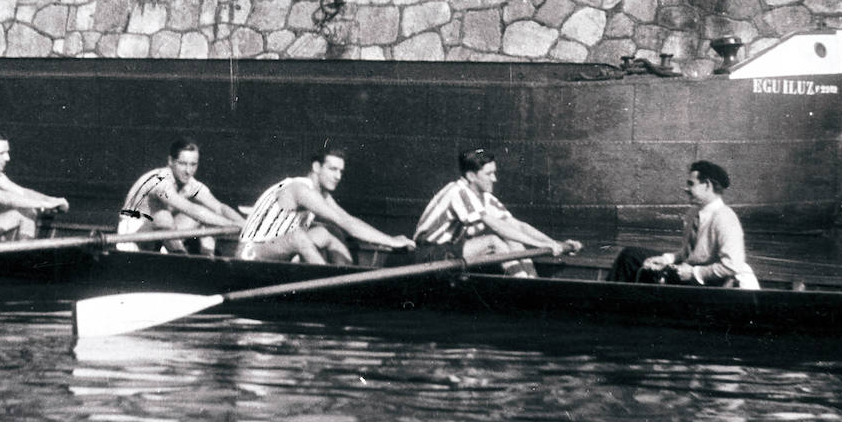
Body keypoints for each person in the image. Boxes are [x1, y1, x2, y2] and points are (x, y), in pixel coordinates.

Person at [413, 148, 580, 277]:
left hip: (452, 249)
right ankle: (524, 287)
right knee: (493, 241)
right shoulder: (458, 191)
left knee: (513, 239)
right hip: (427, 255)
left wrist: (553, 243)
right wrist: (539, 245)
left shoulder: (484, 197)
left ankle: (532, 281)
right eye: (489, 174)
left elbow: (517, 225)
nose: (494, 179)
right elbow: (495, 226)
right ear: (471, 176)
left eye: (494, 172)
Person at [238, 146, 415, 264]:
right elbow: (347, 224)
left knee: (330, 232)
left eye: (341, 171)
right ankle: (330, 288)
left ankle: (348, 279)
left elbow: (348, 220)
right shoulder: (300, 190)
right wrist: (391, 242)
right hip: (250, 254)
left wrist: (390, 239)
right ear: (316, 167)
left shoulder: (322, 195)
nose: (338, 176)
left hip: (278, 249)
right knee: (298, 237)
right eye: (332, 169)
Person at [607, 160, 759, 289]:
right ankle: (608, 301)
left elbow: (732, 265)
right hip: (687, 270)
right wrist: (667, 259)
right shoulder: (693, 213)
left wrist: (695, 273)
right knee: (630, 256)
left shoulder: (725, 218)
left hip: (709, 282)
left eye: (691, 184)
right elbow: (688, 254)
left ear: (707, 185)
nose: (686, 189)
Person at [117, 137, 247, 255]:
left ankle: (207, 259)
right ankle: (180, 258)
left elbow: (220, 208)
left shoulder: (190, 184)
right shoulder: (160, 182)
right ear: (170, 162)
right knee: (163, 216)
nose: (188, 171)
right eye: (182, 164)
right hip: (132, 238)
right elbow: (192, 210)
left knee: (202, 213)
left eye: (193, 164)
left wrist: (246, 225)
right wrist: (232, 225)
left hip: (159, 236)